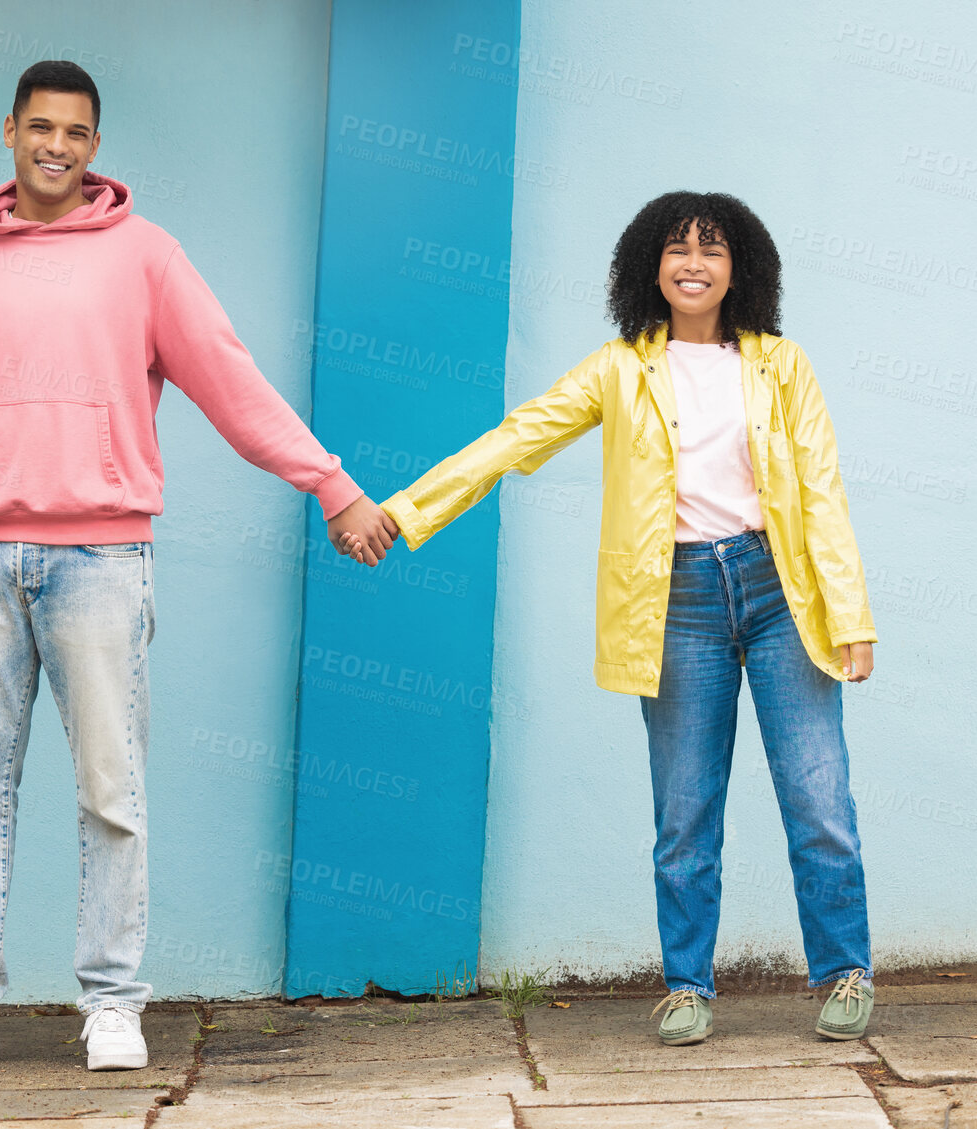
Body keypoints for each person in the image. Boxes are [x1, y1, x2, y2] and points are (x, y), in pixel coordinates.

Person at [0, 60, 397, 1074]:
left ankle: (112, 1002)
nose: (56, 147)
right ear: (9, 132)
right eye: (40, 128)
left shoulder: (145, 257)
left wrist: (330, 483)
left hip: (100, 559)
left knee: (110, 793)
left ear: (95, 146)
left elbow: (230, 383)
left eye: (75, 132)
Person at [343, 192, 878, 1046]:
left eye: (712, 248)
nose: (693, 263)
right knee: (685, 812)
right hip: (679, 604)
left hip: (784, 595)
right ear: (649, 266)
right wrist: (404, 512)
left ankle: (846, 968)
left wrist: (851, 616)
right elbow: (516, 439)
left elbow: (822, 495)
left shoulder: (782, 365)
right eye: (676, 247)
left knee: (818, 798)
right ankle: (686, 986)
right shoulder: (618, 369)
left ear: (742, 267)